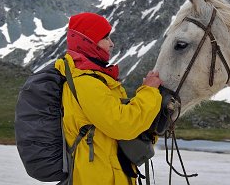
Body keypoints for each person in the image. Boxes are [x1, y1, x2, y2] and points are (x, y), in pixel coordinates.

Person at [55, 12, 163, 185]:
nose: (112, 43)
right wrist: (149, 92)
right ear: (88, 41)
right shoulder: (86, 82)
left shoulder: (97, 79)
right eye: (106, 38)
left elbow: (123, 131)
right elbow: (123, 125)